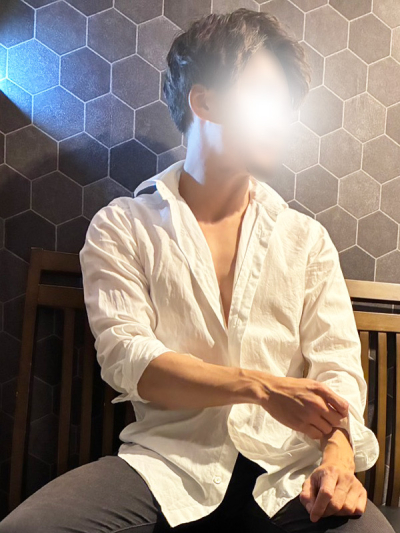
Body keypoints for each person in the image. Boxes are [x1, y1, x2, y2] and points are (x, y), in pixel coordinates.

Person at [0, 7, 395, 533]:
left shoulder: (306, 240)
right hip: (169, 466)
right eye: (263, 95)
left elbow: (338, 368)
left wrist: (339, 458)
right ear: (204, 101)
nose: (281, 117)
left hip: (289, 474)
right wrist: (260, 387)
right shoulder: (124, 226)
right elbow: (129, 360)